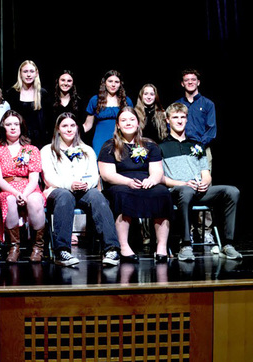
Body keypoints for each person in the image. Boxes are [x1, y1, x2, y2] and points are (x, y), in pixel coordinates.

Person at [160, 103, 241, 261]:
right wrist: (182, 184)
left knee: (232, 191)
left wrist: (205, 181)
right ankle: (185, 244)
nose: (179, 120)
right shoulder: (161, 147)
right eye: (175, 117)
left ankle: (227, 244)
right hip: (178, 191)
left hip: (198, 190)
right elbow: (160, 178)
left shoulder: (196, 145)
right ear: (168, 120)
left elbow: (206, 173)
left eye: (182, 117)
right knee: (186, 190)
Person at [41, 113, 121, 267]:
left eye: (72, 125)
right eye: (65, 126)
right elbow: (49, 177)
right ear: (58, 129)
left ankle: (111, 249)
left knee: (98, 196)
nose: (69, 129)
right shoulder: (47, 150)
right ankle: (62, 251)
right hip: (58, 190)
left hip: (83, 191)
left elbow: (93, 175)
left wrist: (86, 183)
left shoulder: (86, 150)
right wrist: (69, 184)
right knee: (65, 196)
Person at [97, 107, 171, 262]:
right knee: (123, 194)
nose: (128, 123)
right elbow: (107, 175)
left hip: (146, 183)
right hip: (120, 184)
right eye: (123, 120)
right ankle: (124, 246)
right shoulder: (109, 146)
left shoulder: (150, 145)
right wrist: (128, 182)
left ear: (138, 123)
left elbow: (157, 172)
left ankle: (161, 247)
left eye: (131, 119)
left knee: (162, 193)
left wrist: (152, 180)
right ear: (117, 124)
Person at [0, 111, 46, 263]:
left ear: (21, 127)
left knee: (35, 199)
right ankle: (14, 247)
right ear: (2, 127)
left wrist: (24, 194)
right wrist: (16, 193)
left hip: (28, 187)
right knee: (10, 199)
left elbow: (34, 178)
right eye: (8, 124)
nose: (12, 128)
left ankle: (38, 247)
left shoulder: (31, 149)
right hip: (6, 188)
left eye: (16, 124)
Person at [3, 60, 51, 147]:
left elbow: (48, 121)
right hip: (17, 140)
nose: (28, 75)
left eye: (31, 71)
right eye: (25, 71)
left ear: (36, 73)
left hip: (40, 140)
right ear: (20, 73)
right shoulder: (12, 93)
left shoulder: (43, 93)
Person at [84, 70, 133, 152]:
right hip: (100, 139)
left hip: (121, 138)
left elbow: (132, 123)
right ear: (105, 83)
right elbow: (87, 125)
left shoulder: (126, 101)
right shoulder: (95, 100)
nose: (113, 85)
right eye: (110, 81)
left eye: (116, 82)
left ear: (120, 84)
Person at [176, 69, 216, 167]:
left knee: (204, 181)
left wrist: (199, 146)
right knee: (184, 181)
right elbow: (171, 127)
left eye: (193, 79)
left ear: (198, 82)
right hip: (182, 149)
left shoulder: (208, 104)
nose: (190, 82)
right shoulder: (176, 105)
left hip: (203, 148)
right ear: (182, 83)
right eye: (186, 80)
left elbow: (211, 129)